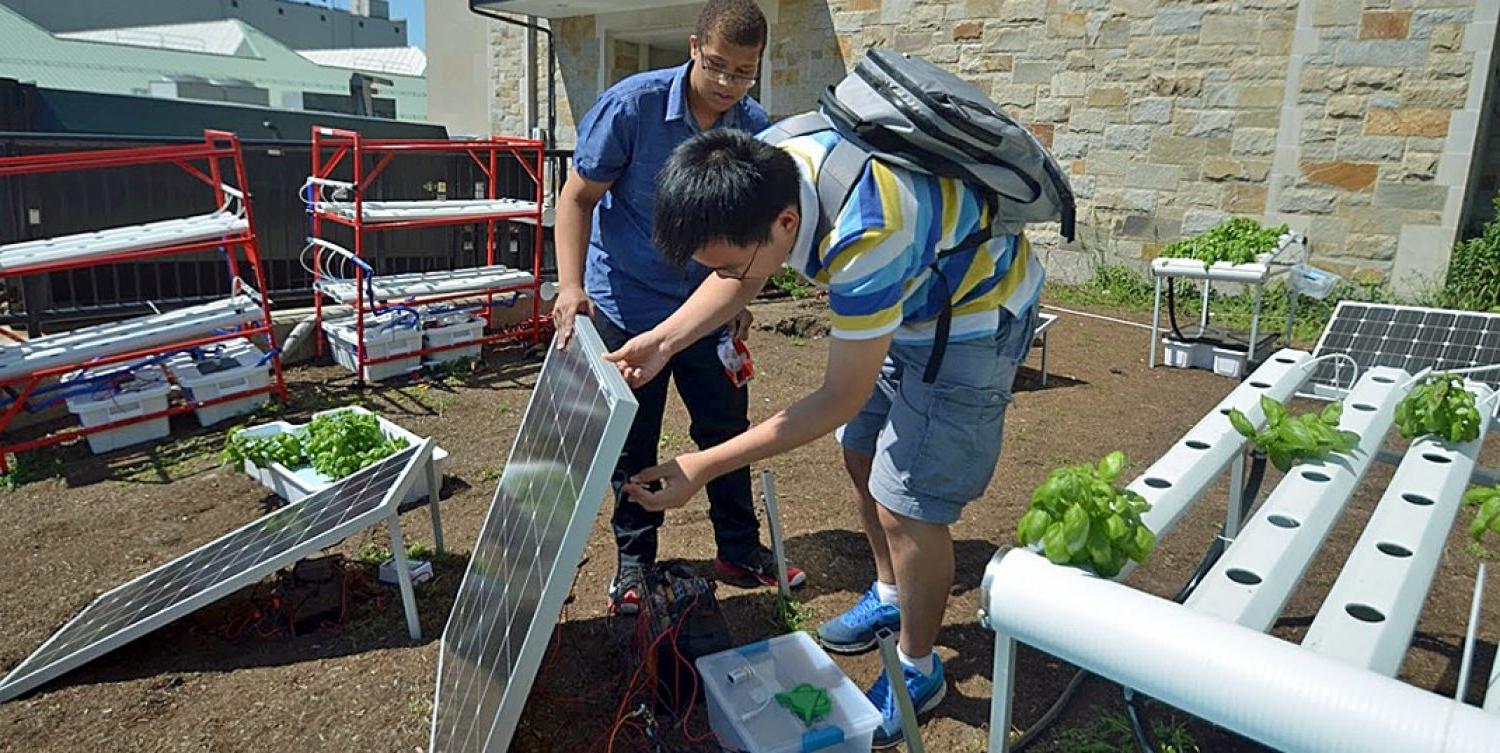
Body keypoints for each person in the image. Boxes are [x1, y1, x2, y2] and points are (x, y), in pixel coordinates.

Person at [610, 126, 1042, 747]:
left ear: (787, 224)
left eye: (729, 262)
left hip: (973, 316)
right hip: (914, 297)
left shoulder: (868, 235)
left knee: (908, 502)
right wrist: (664, 340)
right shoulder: (766, 167)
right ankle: (892, 592)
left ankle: (920, 665)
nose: (726, 276)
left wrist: (702, 465)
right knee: (861, 450)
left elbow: (841, 397)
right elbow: (742, 274)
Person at [550, 0, 805, 616]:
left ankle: (738, 550)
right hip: (627, 304)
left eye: (743, 71)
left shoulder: (753, 127)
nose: (727, 84)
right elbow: (577, 198)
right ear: (694, 47)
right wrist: (568, 285)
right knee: (632, 440)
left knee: (724, 430)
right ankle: (634, 562)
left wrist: (743, 294)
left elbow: (760, 235)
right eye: (716, 65)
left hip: (706, 310)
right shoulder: (631, 107)